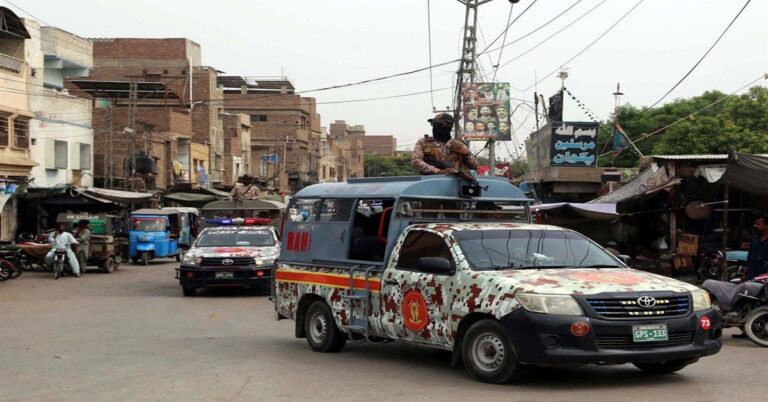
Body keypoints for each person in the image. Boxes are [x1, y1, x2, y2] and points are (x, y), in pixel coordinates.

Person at [411, 113, 478, 175]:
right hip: (429, 181)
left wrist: (466, 155)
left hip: (454, 183)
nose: (435, 127)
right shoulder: (423, 142)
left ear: (449, 126)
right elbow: (415, 161)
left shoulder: (459, 145)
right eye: (433, 124)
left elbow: (475, 166)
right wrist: (437, 171)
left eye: (438, 125)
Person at [745, 214, 768, 280]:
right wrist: (745, 272)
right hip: (752, 272)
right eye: (755, 224)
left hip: (764, 274)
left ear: (766, 225)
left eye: (758, 224)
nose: (755, 226)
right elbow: (750, 255)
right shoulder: (755, 238)